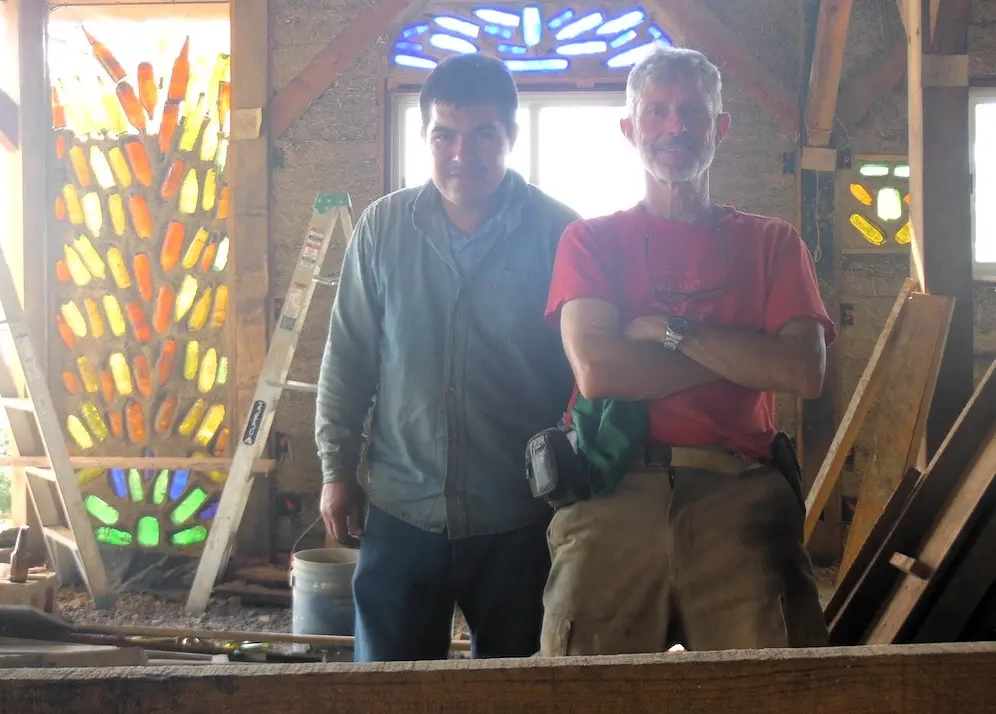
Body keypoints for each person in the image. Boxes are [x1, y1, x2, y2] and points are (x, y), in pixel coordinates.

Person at [538, 44, 837, 656]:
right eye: (657, 112)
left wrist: (676, 333)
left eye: (694, 113)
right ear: (630, 128)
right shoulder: (590, 241)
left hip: (742, 496)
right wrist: (742, 359)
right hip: (613, 495)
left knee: (778, 688)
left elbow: (803, 371)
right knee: (575, 691)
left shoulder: (773, 243)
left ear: (720, 127)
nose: (676, 126)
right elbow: (598, 371)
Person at [315, 54, 579, 662]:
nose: (463, 153)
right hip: (403, 509)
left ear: (511, 136)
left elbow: (586, 378)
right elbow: (348, 359)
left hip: (519, 515)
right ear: (425, 138)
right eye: (445, 135)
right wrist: (336, 469)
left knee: (518, 692)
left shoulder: (559, 235)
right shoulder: (382, 230)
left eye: (484, 133)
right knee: (390, 690)